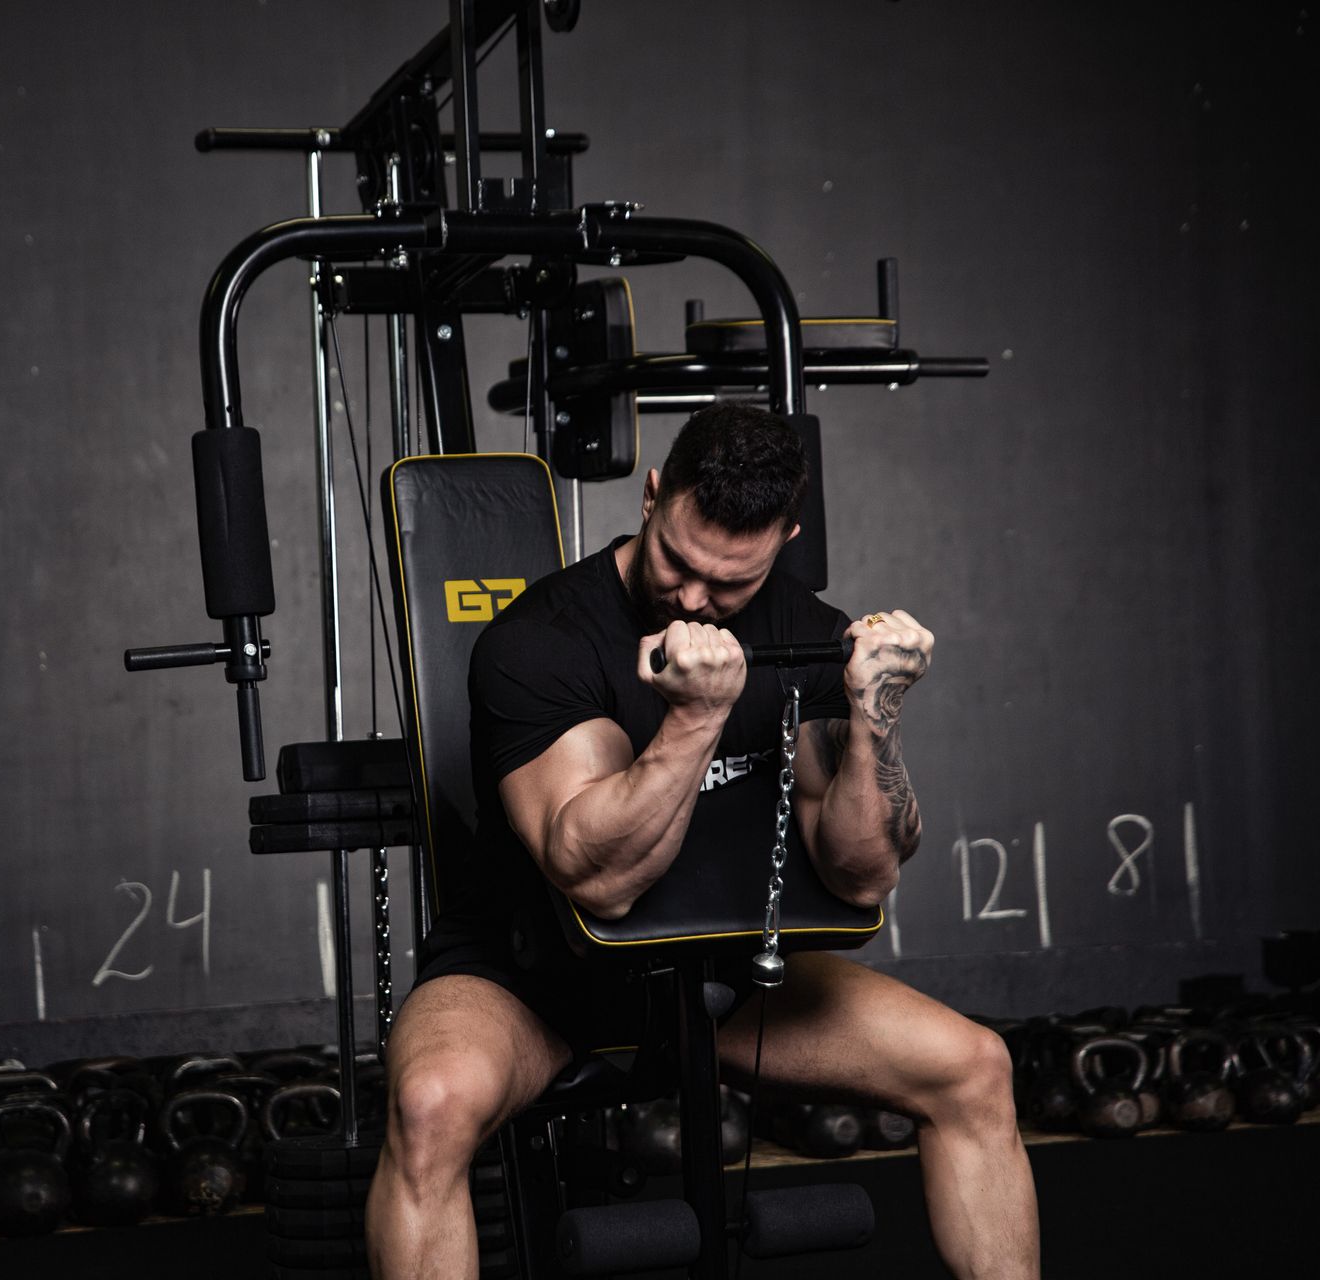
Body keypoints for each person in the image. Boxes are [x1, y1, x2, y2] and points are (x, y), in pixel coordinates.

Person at [366, 403, 1039, 1279]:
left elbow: (862, 873)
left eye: (729, 584)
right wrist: (698, 716)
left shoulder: (805, 629)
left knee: (975, 1068)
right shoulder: (540, 641)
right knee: (429, 1106)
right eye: (678, 561)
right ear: (652, 496)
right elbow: (598, 883)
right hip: (535, 976)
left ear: (784, 539)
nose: (693, 598)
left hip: (726, 976)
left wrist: (875, 716)